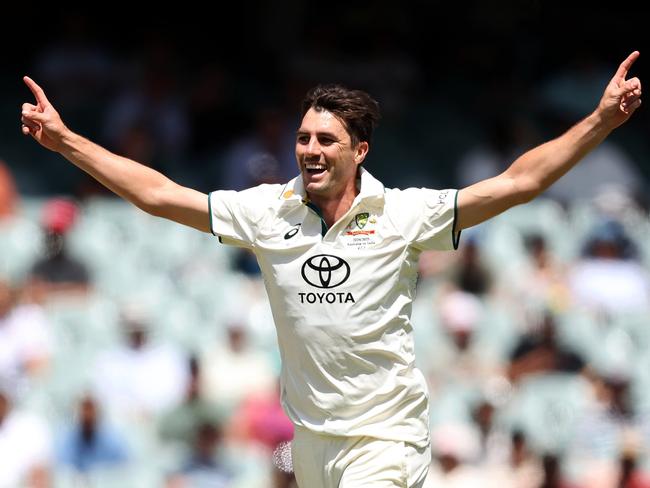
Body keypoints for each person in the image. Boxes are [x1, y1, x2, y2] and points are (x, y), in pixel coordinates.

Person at [20, 51, 642, 487]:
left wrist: (601, 121)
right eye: (303, 138)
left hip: (385, 436)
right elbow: (158, 194)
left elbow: (519, 181)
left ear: (360, 150)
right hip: (311, 443)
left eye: (326, 140)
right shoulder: (267, 210)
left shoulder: (405, 214)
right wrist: (66, 140)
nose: (310, 151)